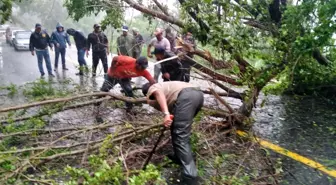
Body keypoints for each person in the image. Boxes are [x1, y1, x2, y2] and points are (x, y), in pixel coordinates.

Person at [142, 81, 204, 185]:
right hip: (198, 95)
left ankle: (191, 177)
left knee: (180, 137)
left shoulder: (153, 87)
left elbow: (157, 93)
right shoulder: (168, 87)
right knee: (177, 129)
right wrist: (169, 116)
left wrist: (166, 114)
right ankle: (179, 157)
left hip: (186, 97)